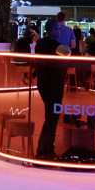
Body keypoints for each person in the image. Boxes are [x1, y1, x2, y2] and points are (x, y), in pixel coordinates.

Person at [34, 19, 67, 160]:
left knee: (50, 114)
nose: (60, 31)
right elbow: (67, 51)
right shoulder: (53, 44)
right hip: (53, 83)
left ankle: (46, 148)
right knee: (52, 115)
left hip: (43, 82)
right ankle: (44, 149)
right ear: (53, 31)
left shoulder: (40, 43)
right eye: (58, 29)